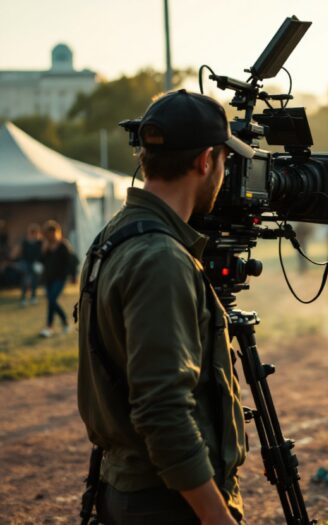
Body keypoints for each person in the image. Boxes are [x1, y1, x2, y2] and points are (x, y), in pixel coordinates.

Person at [77, 90, 254, 524]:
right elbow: (162, 410)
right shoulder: (162, 259)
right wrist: (216, 518)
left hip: (132, 487)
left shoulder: (114, 235)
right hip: (166, 502)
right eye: (225, 161)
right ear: (206, 161)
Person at [39, 220, 76, 337]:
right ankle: (58, 325)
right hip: (48, 278)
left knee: (51, 300)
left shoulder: (63, 245)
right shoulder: (46, 246)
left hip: (60, 278)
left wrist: (73, 276)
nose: (50, 236)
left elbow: (72, 262)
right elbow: (42, 262)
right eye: (48, 234)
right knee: (51, 301)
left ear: (56, 232)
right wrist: (43, 251)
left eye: (52, 233)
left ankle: (52, 325)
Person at [16, 223, 43, 306]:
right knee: (25, 281)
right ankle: (23, 298)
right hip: (26, 263)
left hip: (36, 264)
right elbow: (21, 253)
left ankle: (33, 297)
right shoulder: (25, 242)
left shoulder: (40, 242)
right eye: (32, 233)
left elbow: (41, 253)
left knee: (34, 281)